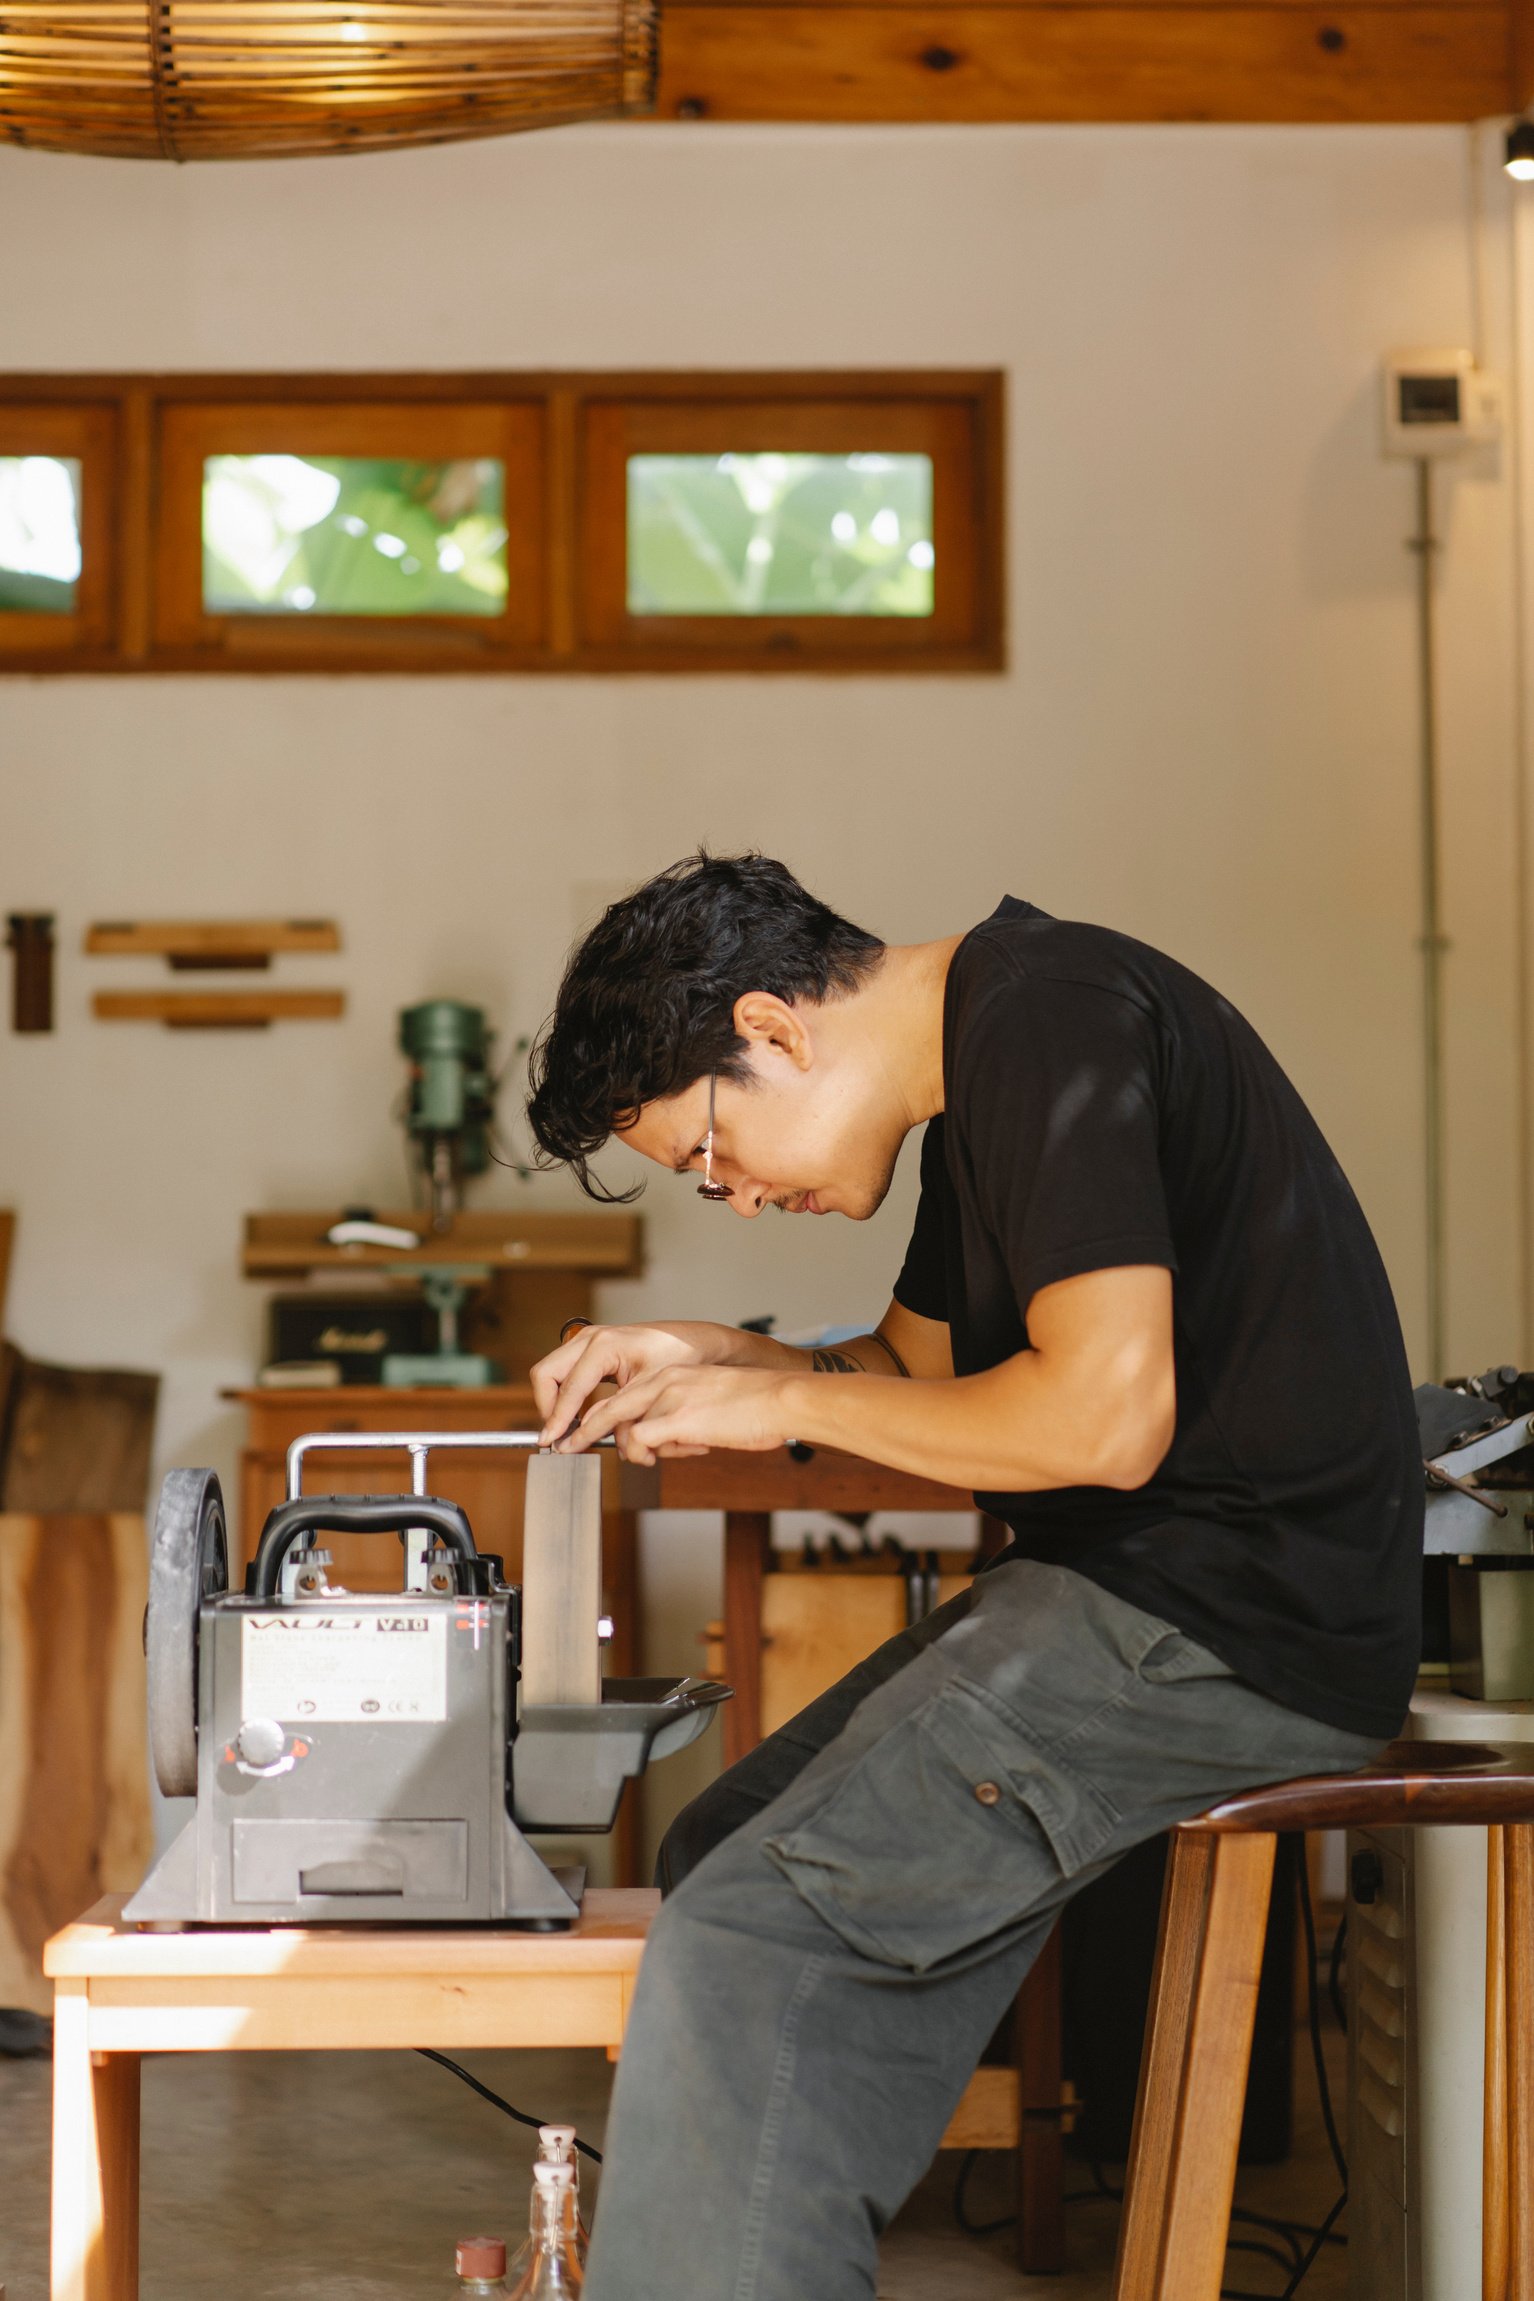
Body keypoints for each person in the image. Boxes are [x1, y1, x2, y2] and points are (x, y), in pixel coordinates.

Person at [524, 851, 1419, 2301]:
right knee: (725, 1844)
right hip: (1138, 1598)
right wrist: (711, 1354)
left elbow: (1100, 1424)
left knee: (746, 1941)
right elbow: (908, 1373)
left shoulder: (1049, 1022)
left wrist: (784, 1408)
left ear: (775, 1026)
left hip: (1223, 1625)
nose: (734, 1199)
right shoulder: (994, 1053)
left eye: (707, 1151)